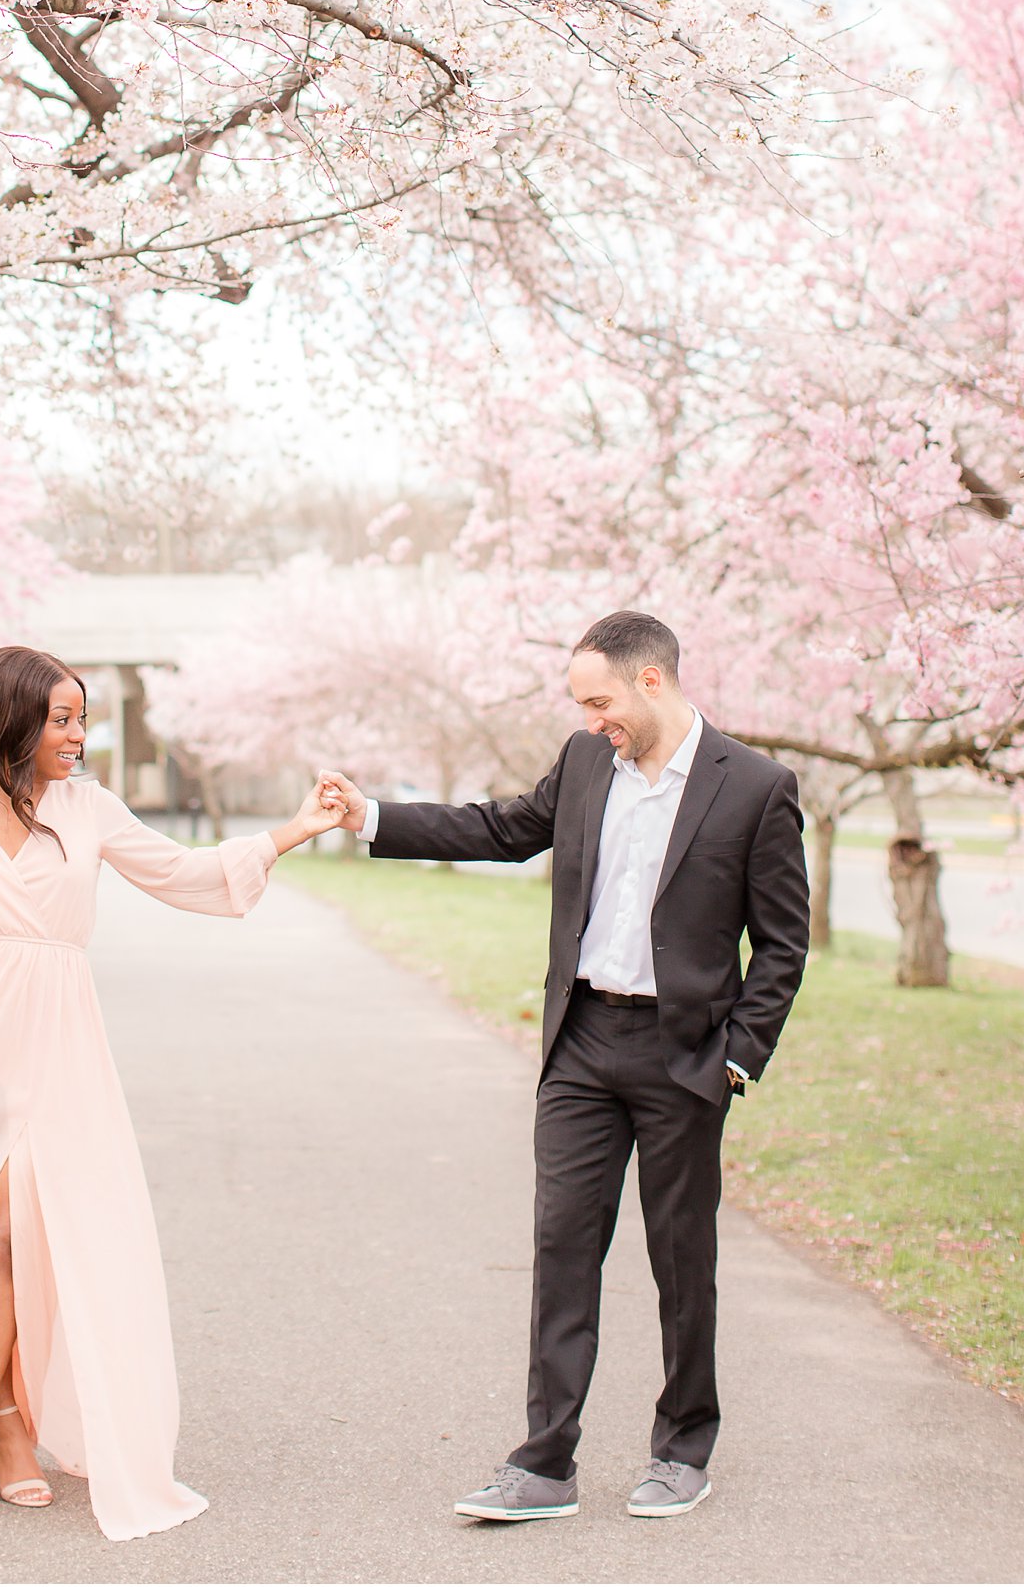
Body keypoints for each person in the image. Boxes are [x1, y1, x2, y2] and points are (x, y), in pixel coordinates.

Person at [0, 644, 338, 1540]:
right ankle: (8, 1428)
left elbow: (189, 874)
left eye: (81, 717)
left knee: (18, 1228)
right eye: (61, 718)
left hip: (54, 1041)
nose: (78, 735)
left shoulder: (89, 807)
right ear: (10, 718)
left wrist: (292, 827)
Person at [319, 609, 809, 1524]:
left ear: (650, 681)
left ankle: (682, 1446)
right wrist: (374, 814)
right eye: (582, 705)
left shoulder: (755, 786)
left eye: (600, 701)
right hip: (582, 1044)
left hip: (685, 1056)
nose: (591, 721)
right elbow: (504, 827)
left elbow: (782, 942)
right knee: (561, 1247)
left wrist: (736, 1059)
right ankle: (545, 1463)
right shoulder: (587, 763)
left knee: (681, 1258)